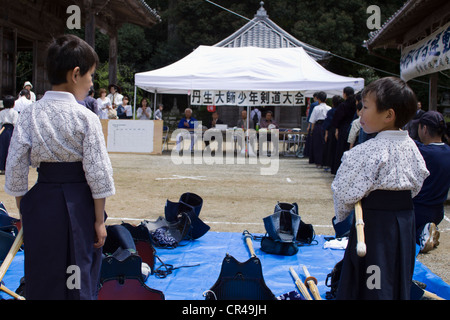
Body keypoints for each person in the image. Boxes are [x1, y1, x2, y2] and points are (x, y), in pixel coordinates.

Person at [4, 34, 115, 300]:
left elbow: (16, 165)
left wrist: (23, 207)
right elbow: (97, 173)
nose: (91, 83)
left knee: (44, 274)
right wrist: (99, 221)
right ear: (75, 74)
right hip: (80, 205)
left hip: (41, 202)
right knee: (78, 272)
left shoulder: (29, 113)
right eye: (90, 75)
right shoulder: (86, 117)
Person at [331, 77, 429, 300]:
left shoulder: (365, 152)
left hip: (374, 227)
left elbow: (343, 192)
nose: (361, 113)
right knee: (396, 273)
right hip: (404, 223)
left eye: (365, 107)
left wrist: (343, 220)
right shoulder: (412, 147)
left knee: (373, 278)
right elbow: (417, 183)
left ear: (388, 115)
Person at [412, 111, 450, 253]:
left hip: (417, 210)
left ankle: (422, 232)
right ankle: (429, 229)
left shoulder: (422, 152)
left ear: (425, 129)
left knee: (398, 235)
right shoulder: (448, 151)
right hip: (438, 210)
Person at [331, 87, 357, 174]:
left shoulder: (343, 105)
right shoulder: (356, 104)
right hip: (354, 126)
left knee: (341, 149)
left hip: (344, 128)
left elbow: (338, 118)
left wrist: (337, 129)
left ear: (345, 93)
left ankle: (340, 170)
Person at [308, 91, 330, 167]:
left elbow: (312, 120)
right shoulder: (329, 108)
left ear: (318, 99)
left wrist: (311, 130)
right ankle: (325, 161)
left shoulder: (316, 108)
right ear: (326, 99)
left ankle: (318, 162)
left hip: (318, 126)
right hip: (326, 126)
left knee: (317, 144)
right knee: (325, 144)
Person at [0, 96, 19, 174]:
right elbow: (15, 123)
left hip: (3, 131)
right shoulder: (14, 112)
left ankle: (2, 167)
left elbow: (0, 123)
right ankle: (10, 167)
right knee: (11, 150)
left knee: (2, 149)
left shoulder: (1, 112)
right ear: (13, 104)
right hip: (11, 131)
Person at [323, 95, 342, 171]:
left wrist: (326, 133)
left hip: (332, 130)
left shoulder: (331, 111)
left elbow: (328, 123)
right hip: (340, 130)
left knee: (331, 148)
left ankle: (330, 165)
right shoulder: (341, 110)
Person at [304, 92, 319, 158]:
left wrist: (309, 125)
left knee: (312, 140)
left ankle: (310, 155)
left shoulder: (313, 105)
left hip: (313, 124)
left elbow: (311, 116)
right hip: (321, 124)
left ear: (315, 97)